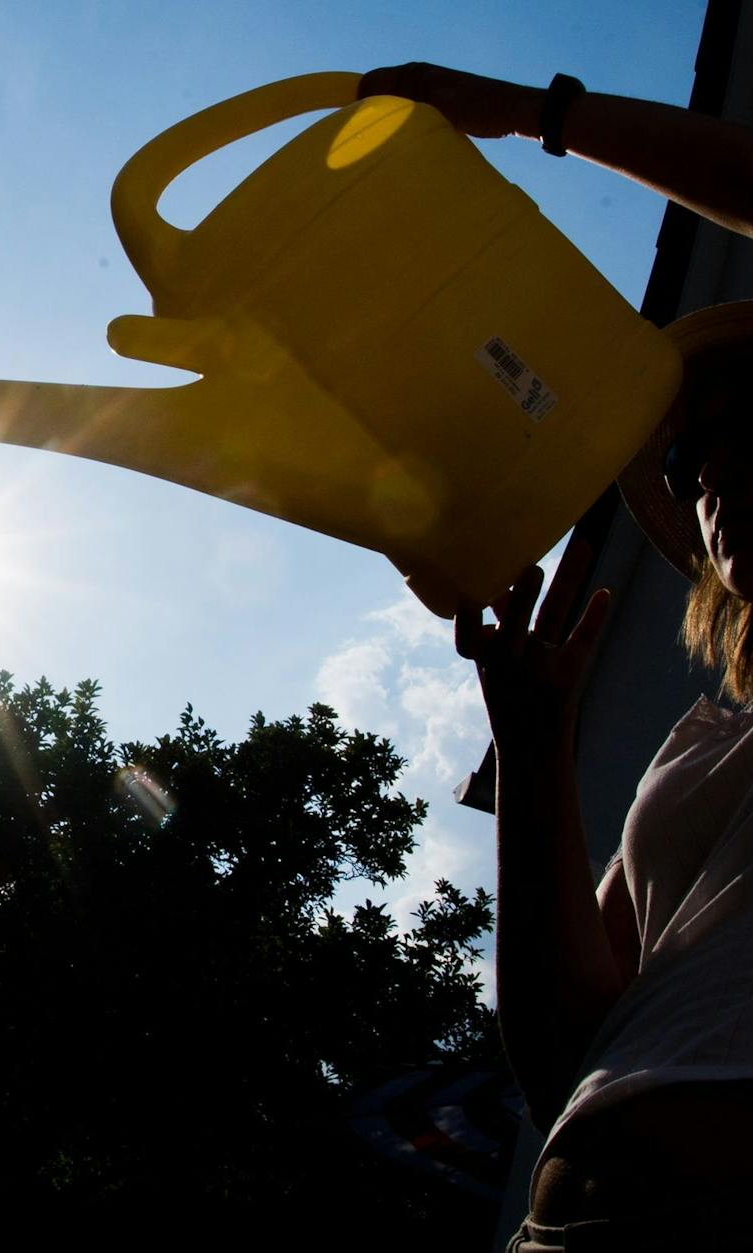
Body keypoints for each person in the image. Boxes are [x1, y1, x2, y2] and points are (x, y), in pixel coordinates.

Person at [357, 64, 753, 1251]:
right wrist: (534, 751)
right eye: (688, 459)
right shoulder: (697, 741)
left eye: (747, 413)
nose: (708, 467)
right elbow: (558, 1046)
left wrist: (536, 116)